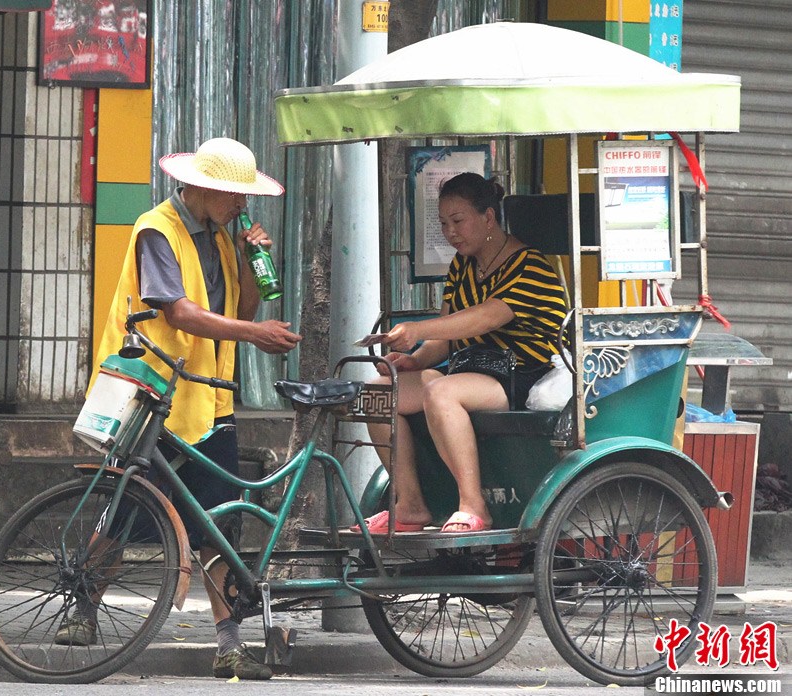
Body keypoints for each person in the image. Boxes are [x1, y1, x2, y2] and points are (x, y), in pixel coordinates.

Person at [58, 137, 301, 680]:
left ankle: (229, 644)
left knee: (219, 521)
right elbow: (181, 312)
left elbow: (240, 308)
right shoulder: (157, 229)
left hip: (209, 394)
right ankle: (83, 606)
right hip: (153, 396)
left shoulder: (219, 237)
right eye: (235, 195)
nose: (243, 205)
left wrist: (246, 261)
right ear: (204, 188)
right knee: (125, 505)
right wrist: (255, 334)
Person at [358, 173, 568, 534]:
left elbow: (482, 319)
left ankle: (474, 506)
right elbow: (447, 337)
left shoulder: (531, 267)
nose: (450, 232)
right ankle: (409, 503)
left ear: (488, 218)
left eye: (458, 221)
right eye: (443, 223)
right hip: (468, 368)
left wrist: (417, 331)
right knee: (377, 392)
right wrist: (416, 360)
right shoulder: (462, 265)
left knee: (441, 392)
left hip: (520, 374)